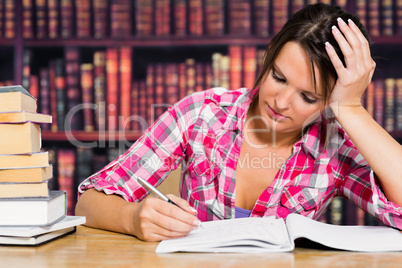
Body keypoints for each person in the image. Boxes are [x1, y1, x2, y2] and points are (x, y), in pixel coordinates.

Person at [76, 3, 402, 242]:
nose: (281, 102)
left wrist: (350, 107)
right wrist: (133, 218)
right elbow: (88, 201)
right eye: (278, 77)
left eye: (308, 97)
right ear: (269, 56)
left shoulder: (335, 147)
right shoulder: (203, 114)